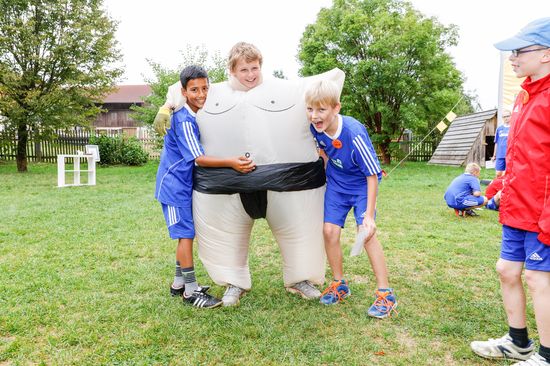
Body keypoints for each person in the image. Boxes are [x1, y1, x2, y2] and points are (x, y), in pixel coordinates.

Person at [470, 18, 550, 366]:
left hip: (541, 211)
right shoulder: (523, 97)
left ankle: (547, 356)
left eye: (520, 51)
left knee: (537, 277)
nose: (512, 58)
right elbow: (520, 154)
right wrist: (498, 186)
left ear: (546, 54)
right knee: (506, 269)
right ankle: (518, 343)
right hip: (516, 207)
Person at [155, 65, 255, 308]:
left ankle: (178, 283)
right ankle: (190, 291)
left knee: (186, 234)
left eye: (204, 88)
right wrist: (231, 162)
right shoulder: (185, 120)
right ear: (184, 92)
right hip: (174, 186)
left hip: (183, 184)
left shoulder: (192, 112)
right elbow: (198, 158)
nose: (201, 94)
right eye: (194, 90)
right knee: (186, 236)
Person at [305, 79, 397, 318]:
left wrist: (368, 215)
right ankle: (339, 284)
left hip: (361, 187)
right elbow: (325, 153)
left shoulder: (354, 134)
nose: (314, 116)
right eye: (310, 109)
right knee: (329, 232)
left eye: (321, 109)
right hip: (337, 185)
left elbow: (373, 175)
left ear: (336, 108)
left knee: (365, 235)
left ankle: (386, 294)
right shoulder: (316, 128)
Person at [491, 110, 512, 178]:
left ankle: (506, 187)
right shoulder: (499, 129)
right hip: (500, 154)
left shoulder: (514, 128)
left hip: (510, 155)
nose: (506, 118)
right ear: (502, 118)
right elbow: (496, 142)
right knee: (498, 174)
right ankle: (497, 186)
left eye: (507, 116)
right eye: (504, 117)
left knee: (508, 174)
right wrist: (494, 155)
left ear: (511, 116)